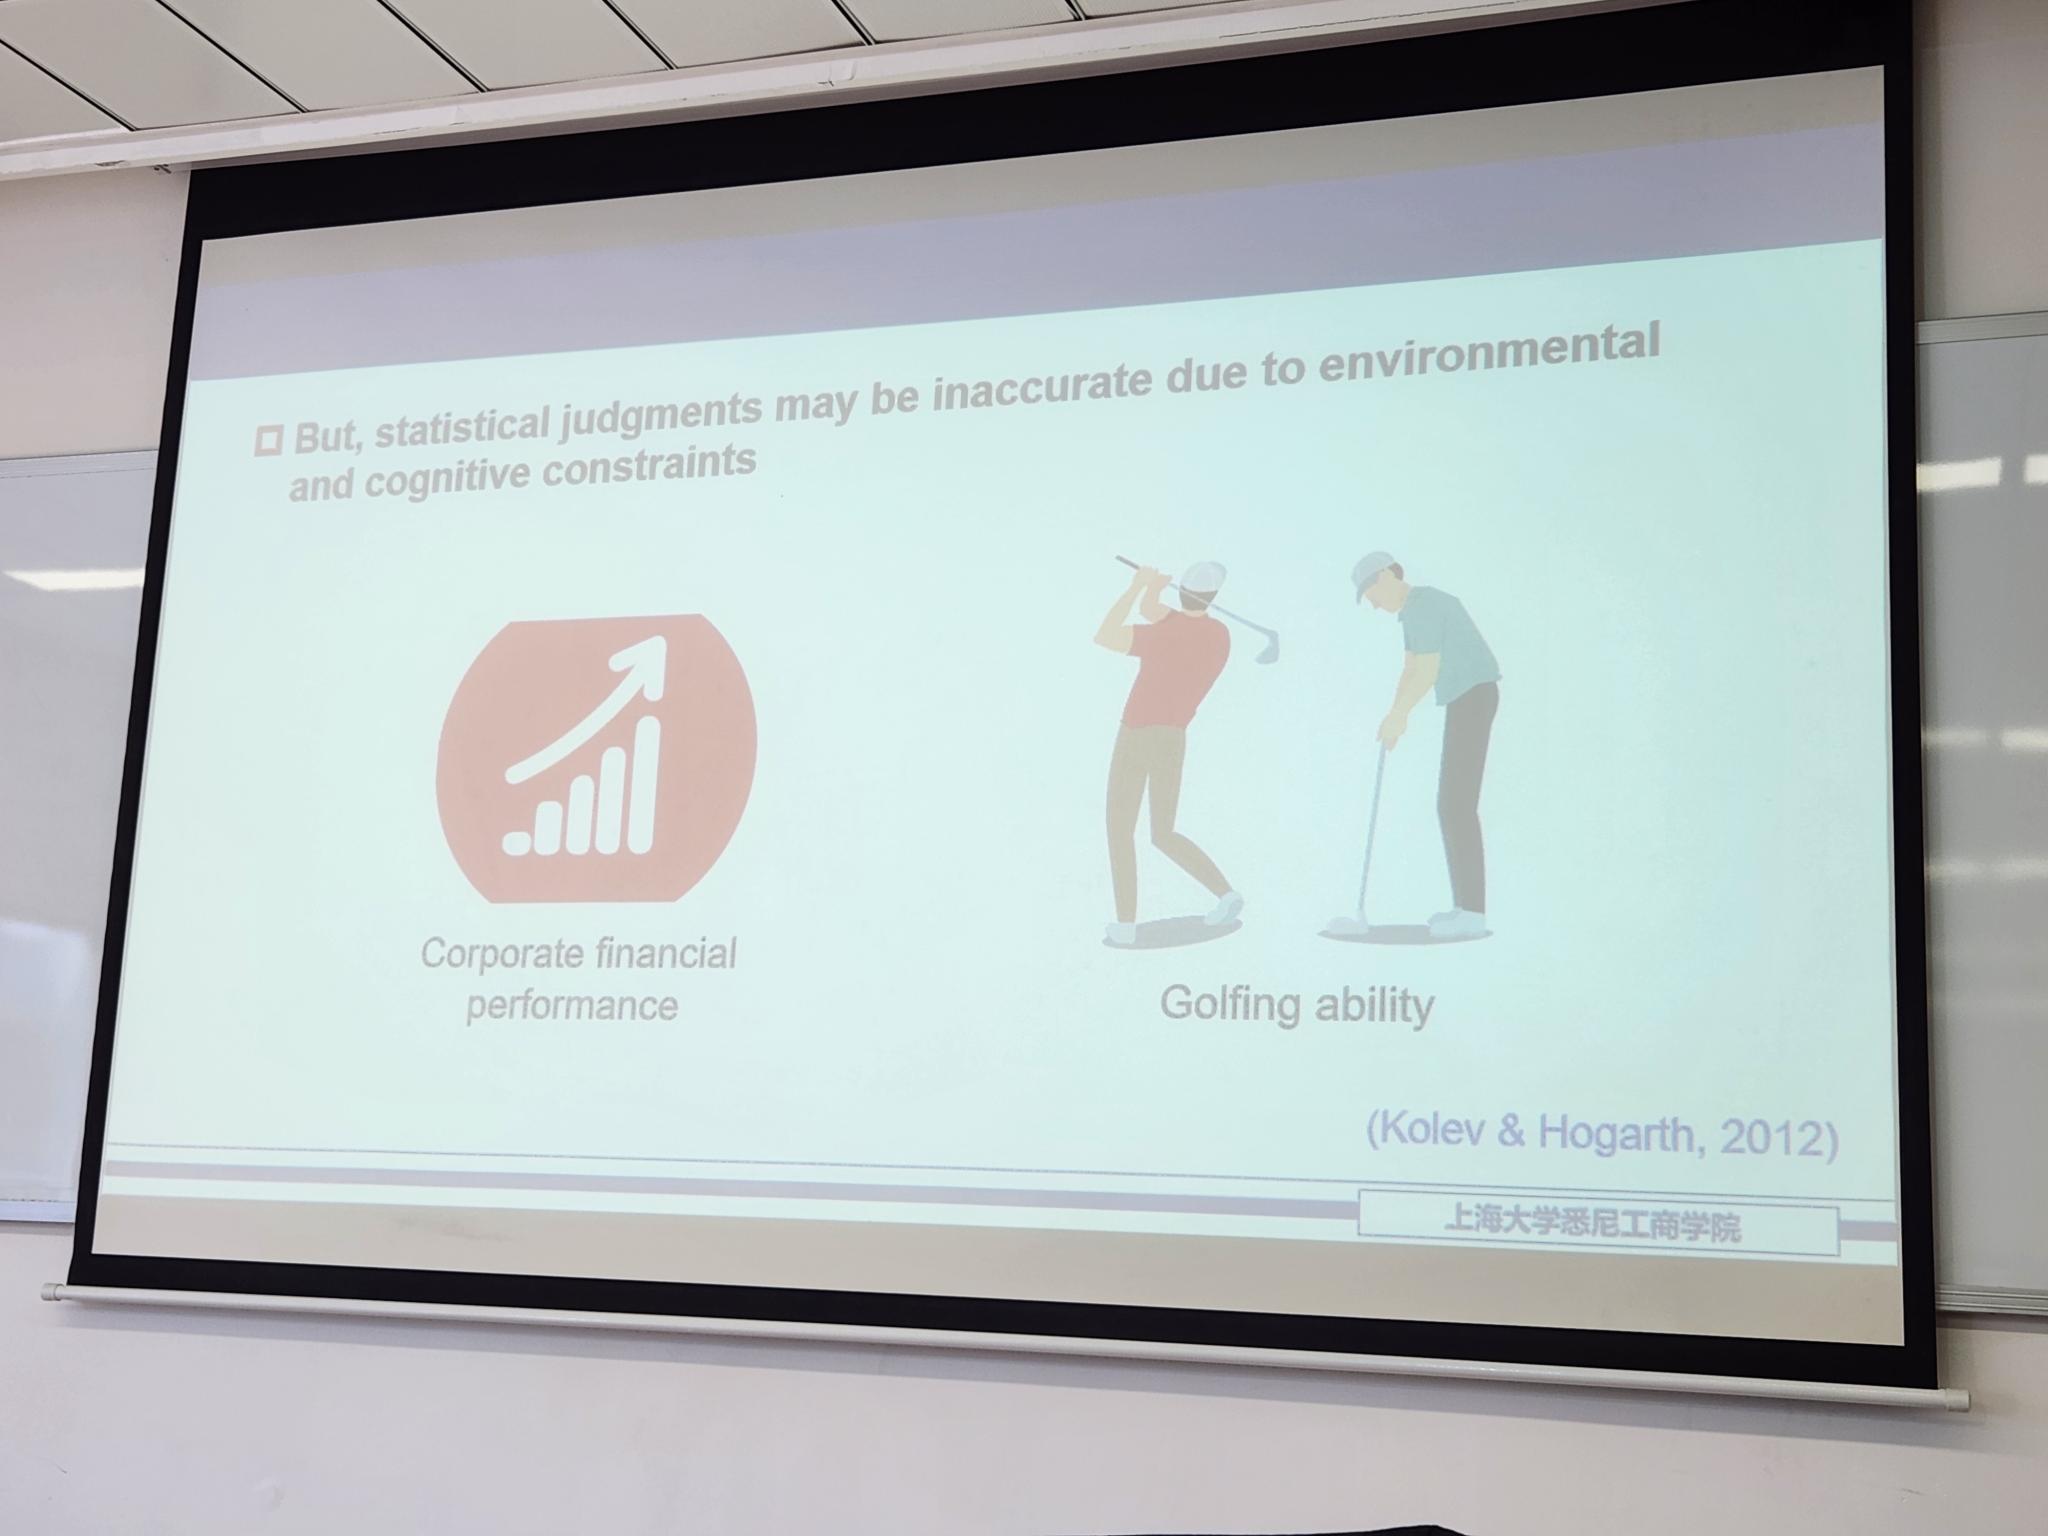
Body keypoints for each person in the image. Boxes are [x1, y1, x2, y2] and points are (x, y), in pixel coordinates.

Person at [1095, 562, 1244, 946]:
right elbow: (1160, 614)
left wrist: (1137, 586)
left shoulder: (1163, 634)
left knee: (1119, 828)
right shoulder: (1219, 635)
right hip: (1173, 738)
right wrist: (1152, 592)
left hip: (1137, 735)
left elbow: (1106, 635)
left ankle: (1126, 925)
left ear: (1180, 592)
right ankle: (1226, 894)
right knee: (1163, 833)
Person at [1352, 552, 1500, 940]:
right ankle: (1464, 907)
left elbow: (1428, 671)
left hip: (1473, 696)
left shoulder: (1426, 604)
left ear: (1386, 576)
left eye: (1371, 593)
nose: (1373, 604)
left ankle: (1473, 914)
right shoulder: (1411, 613)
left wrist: (1400, 716)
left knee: (1456, 805)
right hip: (1465, 698)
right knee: (1451, 805)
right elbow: (1411, 668)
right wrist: (1393, 715)